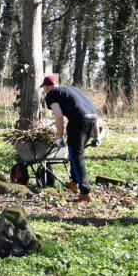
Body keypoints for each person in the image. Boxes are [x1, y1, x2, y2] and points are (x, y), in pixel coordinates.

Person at [41, 74, 100, 202]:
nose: (44, 90)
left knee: (75, 156)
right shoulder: (74, 90)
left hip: (78, 123)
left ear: (47, 87)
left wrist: (59, 137)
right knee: (76, 154)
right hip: (92, 121)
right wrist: (96, 136)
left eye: (44, 88)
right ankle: (74, 183)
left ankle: (85, 192)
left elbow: (58, 115)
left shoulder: (52, 94)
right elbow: (92, 111)